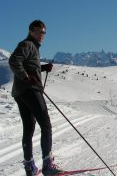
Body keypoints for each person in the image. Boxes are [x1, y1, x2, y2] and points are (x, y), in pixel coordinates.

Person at [9, 20, 63, 176]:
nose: (42, 35)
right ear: (31, 31)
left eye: (44, 32)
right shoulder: (27, 44)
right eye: (39, 32)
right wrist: (26, 78)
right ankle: (48, 166)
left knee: (29, 128)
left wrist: (42, 67)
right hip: (30, 90)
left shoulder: (32, 47)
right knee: (46, 125)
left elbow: (28, 64)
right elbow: (14, 61)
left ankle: (30, 167)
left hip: (20, 93)